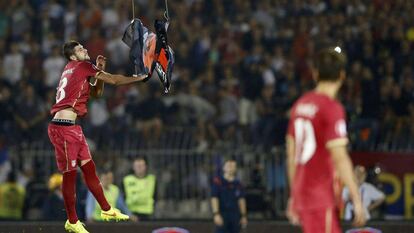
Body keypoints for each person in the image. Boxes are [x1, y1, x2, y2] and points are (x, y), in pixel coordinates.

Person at [47, 40, 148, 233]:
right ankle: (72, 221)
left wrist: (99, 70)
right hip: (62, 128)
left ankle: (107, 209)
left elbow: (96, 93)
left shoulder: (73, 68)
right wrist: (139, 78)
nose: (84, 49)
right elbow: (116, 81)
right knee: (69, 175)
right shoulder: (82, 66)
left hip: (72, 127)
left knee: (90, 169)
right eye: (79, 49)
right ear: (72, 56)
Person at [286, 47, 366, 233]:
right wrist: (356, 198)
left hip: (305, 196)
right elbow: (340, 158)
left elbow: (291, 156)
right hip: (320, 196)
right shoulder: (331, 108)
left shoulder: (300, 105)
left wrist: (294, 195)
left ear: (315, 74)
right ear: (342, 75)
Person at [211, 158, 248, 233]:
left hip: (235, 214)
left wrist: (244, 215)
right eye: (229, 166)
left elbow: (241, 200)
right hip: (222, 213)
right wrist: (216, 214)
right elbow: (214, 198)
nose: (231, 168)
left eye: (233, 166)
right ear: (224, 168)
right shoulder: (218, 182)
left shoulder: (238, 184)